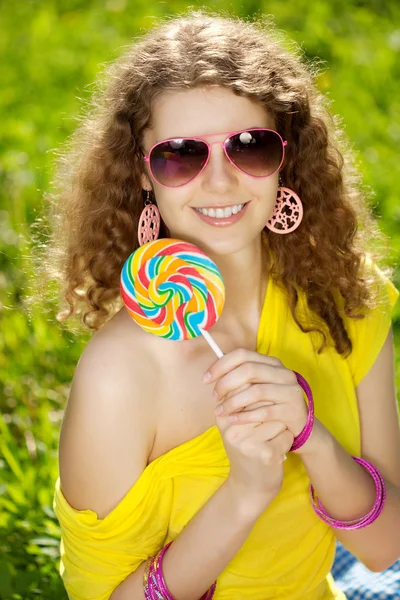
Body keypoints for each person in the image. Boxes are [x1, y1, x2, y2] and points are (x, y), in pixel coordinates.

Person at [37, 9, 400, 600]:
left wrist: (314, 440)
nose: (222, 182)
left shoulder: (344, 299)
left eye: (250, 147)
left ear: (286, 157)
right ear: (144, 175)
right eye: (181, 156)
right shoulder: (120, 374)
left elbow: (385, 548)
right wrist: (244, 494)